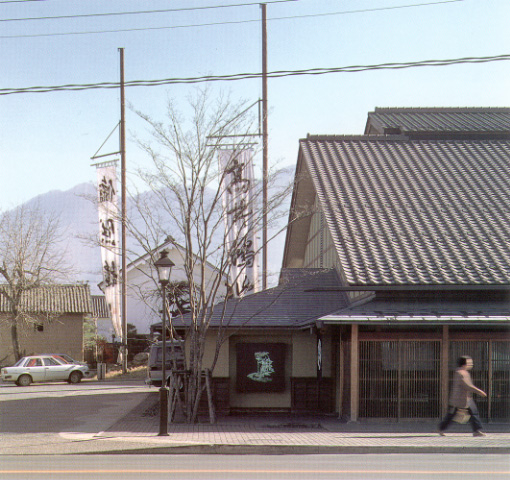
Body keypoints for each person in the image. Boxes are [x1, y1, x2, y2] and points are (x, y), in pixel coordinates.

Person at [438, 355, 487, 437]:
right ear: (464, 364)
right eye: (469, 363)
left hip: (464, 399)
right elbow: (467, 386)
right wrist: (479, 392)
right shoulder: (461, 373)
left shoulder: (462, 372)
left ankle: (476, 430)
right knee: (452, 415)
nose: (471, 364)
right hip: (459, 399)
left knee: (472, 413)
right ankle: (441, 428)